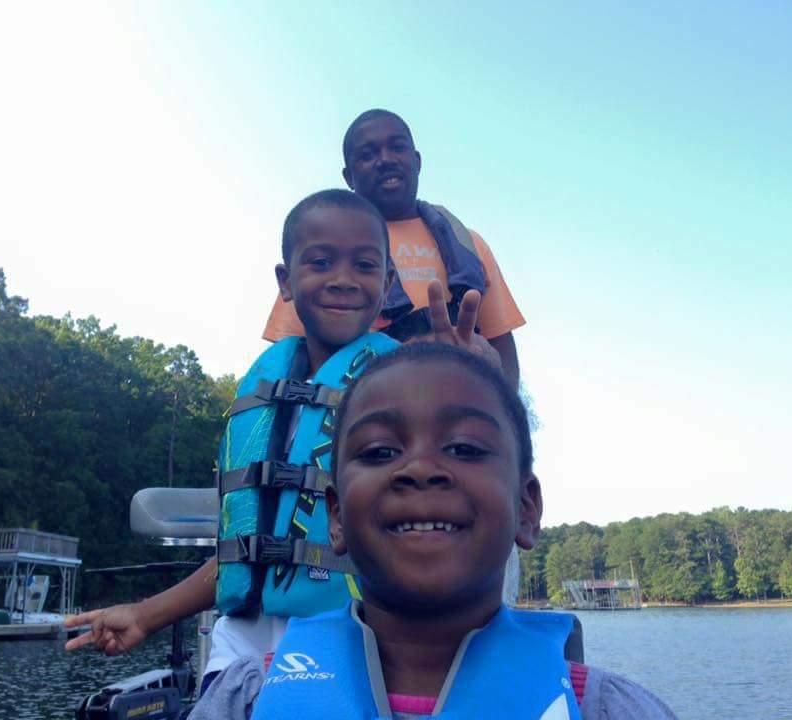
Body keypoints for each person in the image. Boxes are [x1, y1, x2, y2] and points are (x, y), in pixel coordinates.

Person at [64, 190, 500, 686]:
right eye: (320, 262)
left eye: (364, 264)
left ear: (387, 284)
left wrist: (471, 383)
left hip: (358, 641)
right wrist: (146, 615)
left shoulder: (406, 381)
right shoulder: (264, 383)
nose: (342, 279)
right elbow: (252, 548)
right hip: (238, 646)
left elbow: (473, 484)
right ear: (286, 282)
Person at [194, 344, 679, 720]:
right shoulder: (246, 702)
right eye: (381, 451)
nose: (421, 468)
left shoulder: (607, 708)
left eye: (465, 448)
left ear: (527, 509)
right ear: (336, 517)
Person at [263, 109, 525, 388]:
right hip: (357, 411)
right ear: (349, 177)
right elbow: (287, 352)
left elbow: (501, 342)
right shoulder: (322, 247)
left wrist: (504, 409)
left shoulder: (469, 244)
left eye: (397, 148)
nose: (385, 160)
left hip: (456, 403)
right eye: (367, 154)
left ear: (417, 161)